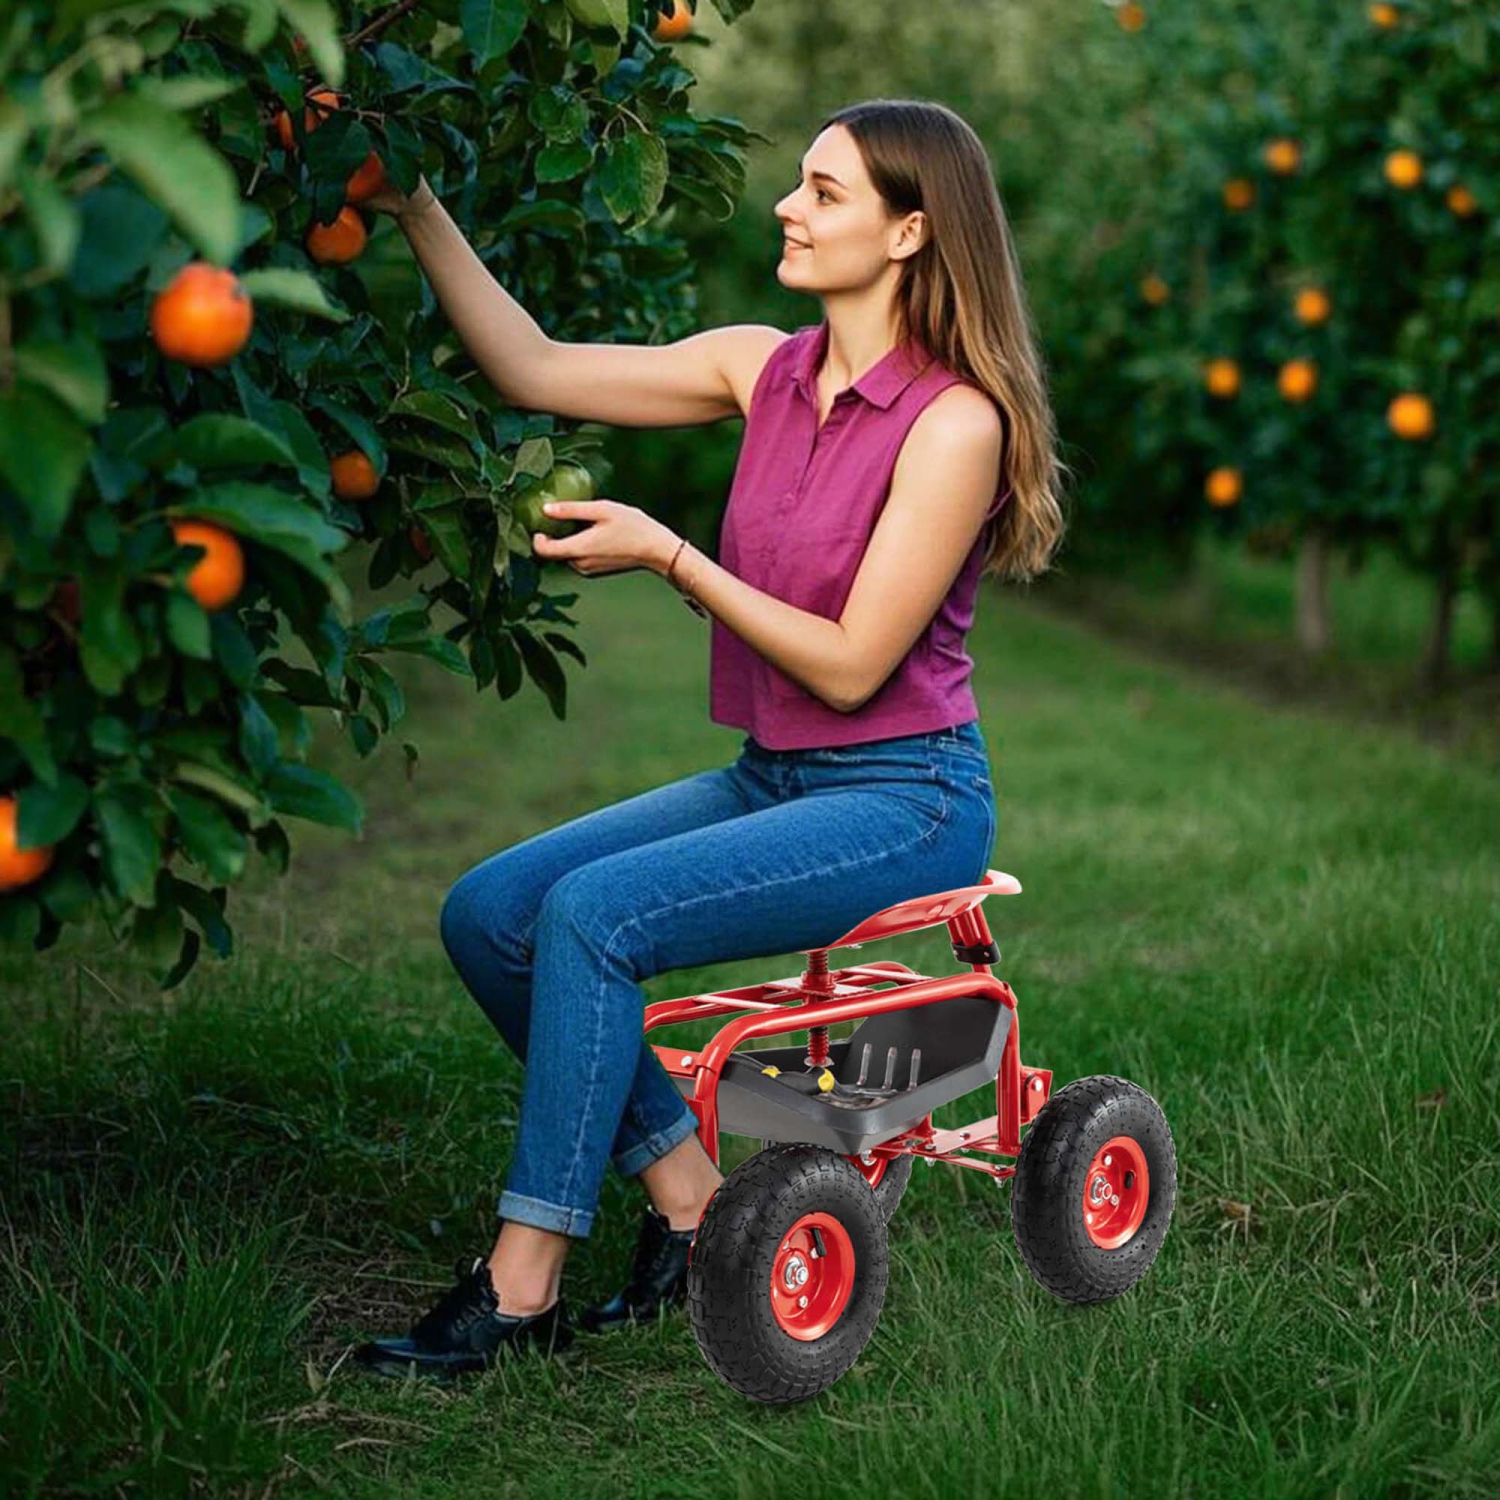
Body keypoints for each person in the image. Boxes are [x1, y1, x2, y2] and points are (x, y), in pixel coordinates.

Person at [351, 97, 1067, 1380]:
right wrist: (414, 204)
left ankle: (521, 1284)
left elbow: (851, 665)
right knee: (491, 913)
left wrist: (670, 555)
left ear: (910, 232)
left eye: (825, 192)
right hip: (775, 777)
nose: (787, 207)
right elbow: (533, 366)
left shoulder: (955, 422)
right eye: (800, 183)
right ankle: (690, 1202)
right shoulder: (763, 366)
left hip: (905, 794)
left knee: (589, 916)